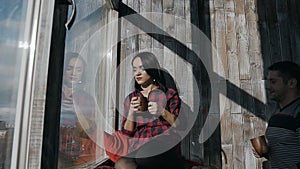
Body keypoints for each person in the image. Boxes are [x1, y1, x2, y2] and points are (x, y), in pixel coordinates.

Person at [113, 52, 185, 169]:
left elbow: (181, 125)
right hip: (139, 145)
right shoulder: (131, 98)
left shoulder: (168, 94)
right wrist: (131, 112)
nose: (137, 73)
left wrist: (162, 111)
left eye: (142, 68)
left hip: (164, 143)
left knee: (146, 157)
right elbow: (126, 133)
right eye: (134, 69)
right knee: (121, 164)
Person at [254, 61, 300, 169]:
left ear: (292, 83)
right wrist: (266, 153)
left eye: (273, 82)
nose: (268, 87)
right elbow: (288, 148)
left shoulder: (297, 112)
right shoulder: (277, 114)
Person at [59, 52, 100, 168]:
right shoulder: (53, 94)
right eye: (69, 68)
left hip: (76, 154)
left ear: (83, 74)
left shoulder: (86, 99)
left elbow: (89, 130)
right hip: (54, 150)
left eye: (78, 70)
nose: (73, 73)